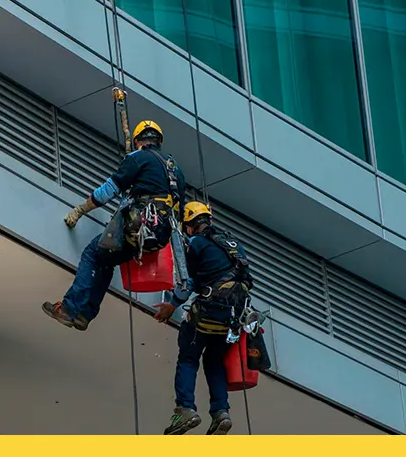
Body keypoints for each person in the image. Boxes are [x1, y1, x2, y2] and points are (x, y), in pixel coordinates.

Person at [42, 120, 186, 331]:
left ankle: (68, 308)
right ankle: (85, 314)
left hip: (135, 229)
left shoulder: (138, 158)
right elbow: (179, 214)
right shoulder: (176, 171)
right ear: (159, 141)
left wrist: (80, 210)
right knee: (106, 261)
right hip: (157, 237)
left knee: (92, 253)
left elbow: (109, 190)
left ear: (138, 140)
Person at [153, 201, 254, 436]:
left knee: (188, 358)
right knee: (214, 361)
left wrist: (172, 305)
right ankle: (221, 413)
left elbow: (187, 283)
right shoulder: (234, 245)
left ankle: (185, 409)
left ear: (189, 226)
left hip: (208, 313)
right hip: (233, 319)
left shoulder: (197, 243)